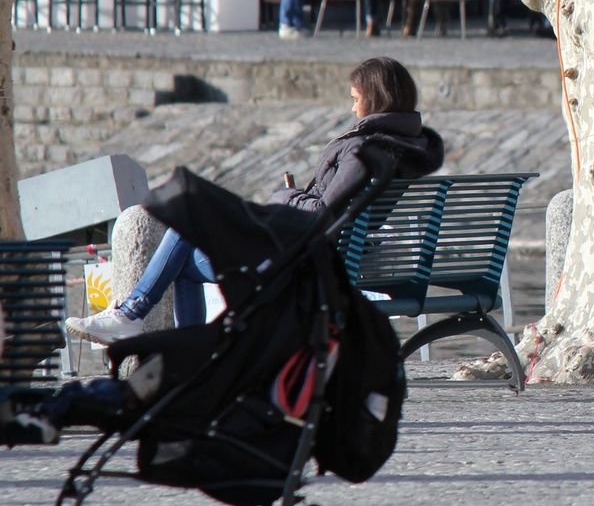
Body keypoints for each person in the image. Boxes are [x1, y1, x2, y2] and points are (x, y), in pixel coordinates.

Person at [65, 58, 445, 344]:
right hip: (331, 257)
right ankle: (187, 352)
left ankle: (132, 315)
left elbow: (321, 213)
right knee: (184, 257)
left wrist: (285, 196)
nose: (352, 108)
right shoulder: (405, 147)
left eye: (356, 99)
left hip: (297, 261)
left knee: (186, 225)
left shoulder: (364, 148)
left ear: (375, 99)